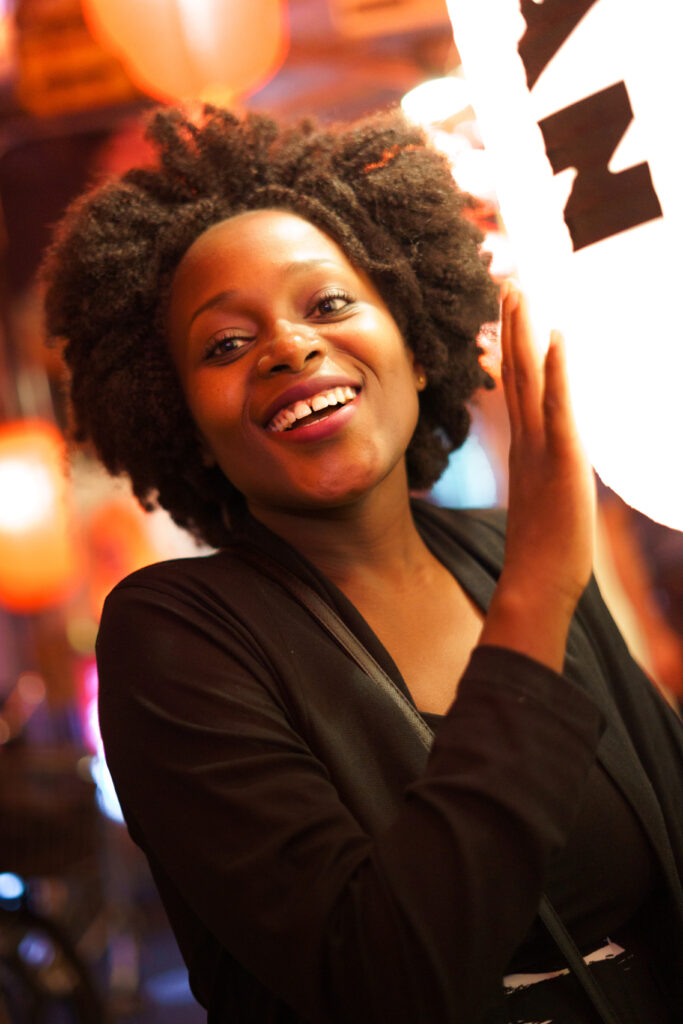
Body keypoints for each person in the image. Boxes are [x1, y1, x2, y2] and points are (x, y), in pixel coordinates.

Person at [42, 105, 683, 1023]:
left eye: (331, 303)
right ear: (182, 420)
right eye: (226, 345)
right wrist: (540, 588)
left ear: (416, 347)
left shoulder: (503, 549)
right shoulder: (174, 634)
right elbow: (380, 980)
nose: (290, 347)